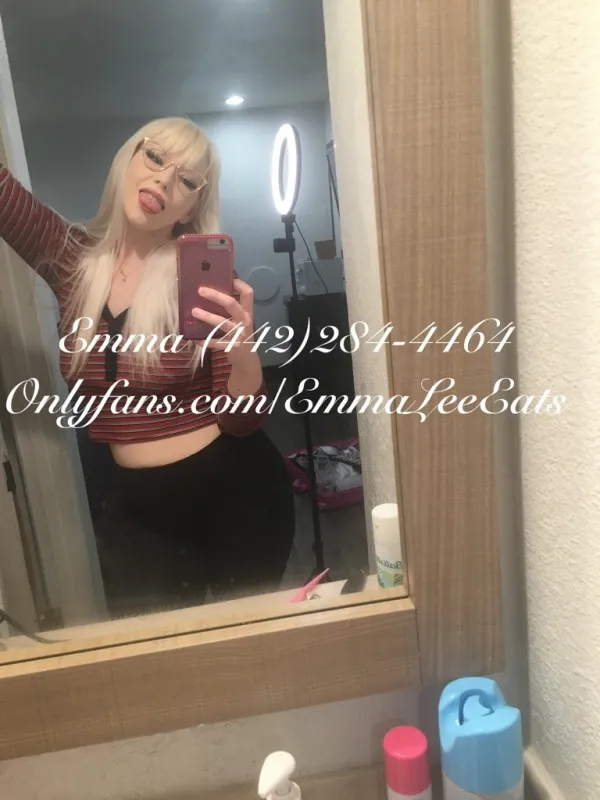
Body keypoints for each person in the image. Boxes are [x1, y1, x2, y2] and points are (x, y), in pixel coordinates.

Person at [0, 116, 295, 616]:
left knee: (244, 646)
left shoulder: (201, 279)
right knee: (157, 650)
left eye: (187, 179)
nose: (163, 179)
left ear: (192, 206)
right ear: (129, 159)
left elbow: (242, 422)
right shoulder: (71, 260)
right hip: (136, 503)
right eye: (155, 157)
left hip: (235, 489)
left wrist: (245, 353)